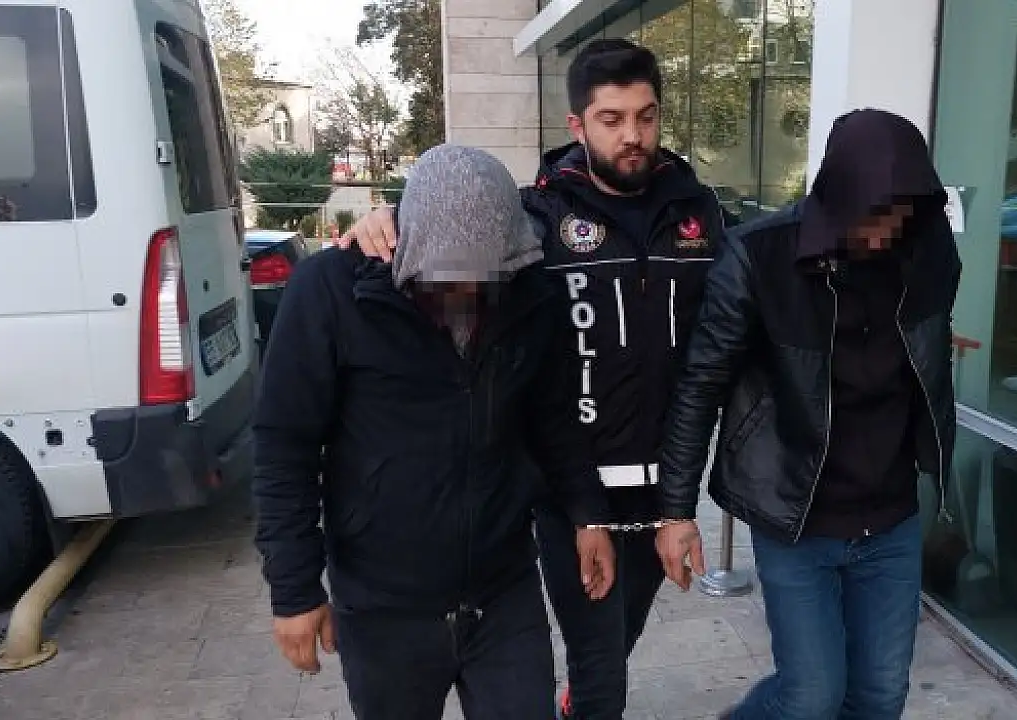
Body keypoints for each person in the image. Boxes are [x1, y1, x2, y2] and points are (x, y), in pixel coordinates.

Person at [340, 39, 732, 720]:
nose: (632, 135)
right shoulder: (538, 214)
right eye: (611, 119)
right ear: (577, 125)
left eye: (645, 117)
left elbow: (766, 274)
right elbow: (454, 227)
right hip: (567, 486)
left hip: (664, 482)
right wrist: (387, 218)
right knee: (602, 669)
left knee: (620, 637)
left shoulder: (701, 214)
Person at [252, 144, 617, 720]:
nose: (465, 292)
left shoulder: (530, 289)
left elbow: (553, 414)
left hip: (502, 590)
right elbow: (283, 444)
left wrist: (586, 513)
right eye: (446, 277)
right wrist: (295, 590)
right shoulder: (332, 290)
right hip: (383, 604)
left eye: (483, 276)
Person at [655, 108, 962, 720]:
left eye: (901, 214)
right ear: (839, 195)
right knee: (810, 697)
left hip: (891, 516)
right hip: (794, 514)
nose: (885, 231)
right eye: (874, 214)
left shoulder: (927, 250)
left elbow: (931, 354)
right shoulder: (759, 256)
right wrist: (676, 511)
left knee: (879, 696)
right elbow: (701, 383)